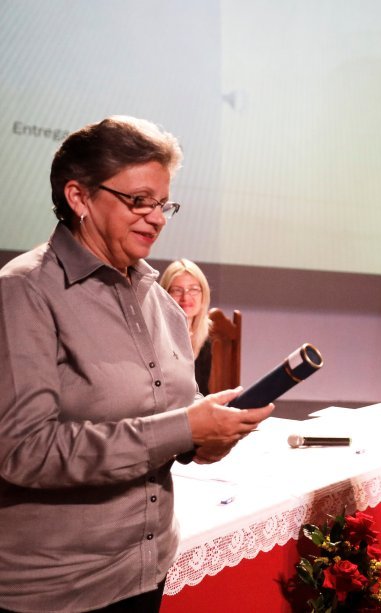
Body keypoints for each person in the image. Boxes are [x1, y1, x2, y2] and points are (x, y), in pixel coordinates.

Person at [0, 116, 274, 612]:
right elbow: (23, 450)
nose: (157, 218)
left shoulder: (159, 298)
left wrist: (205, 437)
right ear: (79, 197)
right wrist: (184, 428)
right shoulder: (25, 290)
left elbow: (171, 414)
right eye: (139, 200)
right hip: (59, 589)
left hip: (147, 571)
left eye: (163, 204)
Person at [161, 258, 213, 394]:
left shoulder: (213, 338)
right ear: (164, 294)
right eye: (177, 290)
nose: (185, 297)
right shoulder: (156, 336)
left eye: (193, 289)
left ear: (204, 294)